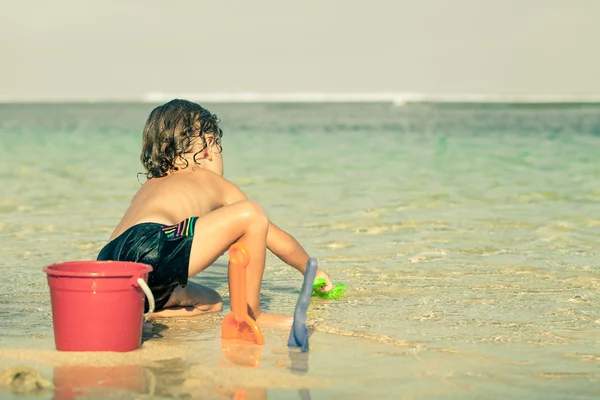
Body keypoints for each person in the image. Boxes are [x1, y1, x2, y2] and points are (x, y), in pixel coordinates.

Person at [96, 99, 333, 329]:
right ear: (209, 144)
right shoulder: (209, 180)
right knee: (252, 214)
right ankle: (251, 315)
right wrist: (310, 269)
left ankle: (142, 314)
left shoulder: (150, 185)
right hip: (152, 242)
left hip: (111, 261)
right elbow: (272, 235)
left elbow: (134, 243)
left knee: (211, 302)